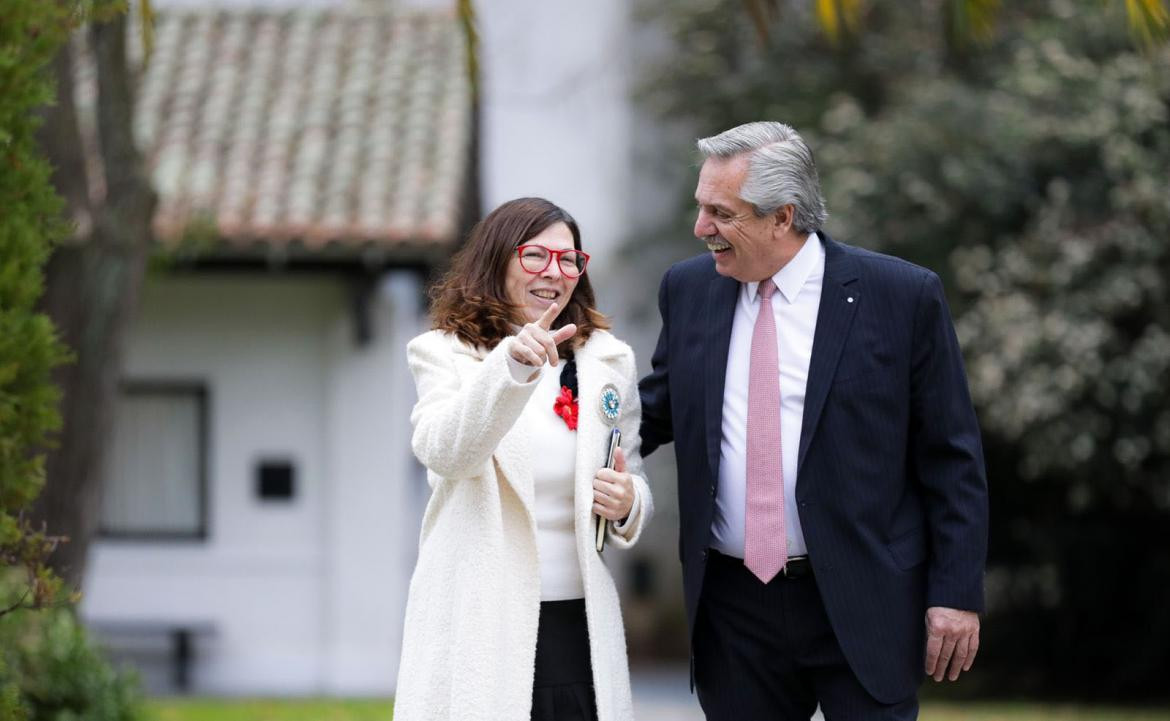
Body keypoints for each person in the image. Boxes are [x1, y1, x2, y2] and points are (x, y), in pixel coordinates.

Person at [638, 122, 989, 720]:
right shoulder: (689, 290)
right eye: (701, 208)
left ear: (783, 217)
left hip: (864, 598)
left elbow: (951, 457)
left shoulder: (901, 297)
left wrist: (954, 594)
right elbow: (655, 411)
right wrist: (545, 420)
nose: (701, 230)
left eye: (721, 213)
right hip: (732, 609)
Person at [395, 197, 653, 721]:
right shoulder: (445, 352)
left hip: (577, 624)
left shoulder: (607, 360)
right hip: (481, 620)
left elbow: (635, 474)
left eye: (569, 260)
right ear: (497, 260)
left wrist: (629, 502)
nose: (553, 274)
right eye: (535, 256)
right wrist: (509, 366)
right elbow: (446, 453)